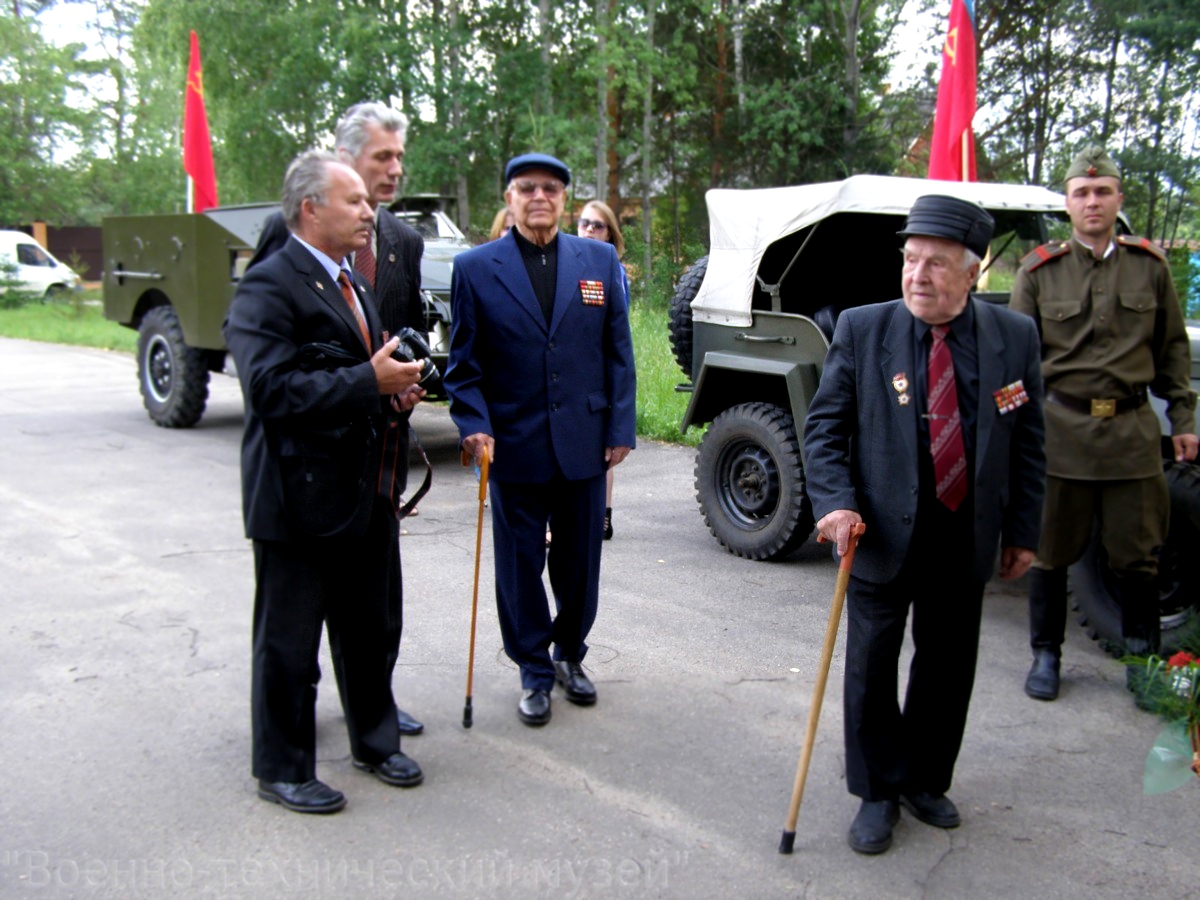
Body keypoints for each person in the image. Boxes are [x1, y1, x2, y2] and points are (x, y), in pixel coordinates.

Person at [803, 194, 1046, 854]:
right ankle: (877, 791)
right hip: (878, 533)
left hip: (963, 534)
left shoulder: (1013, 338)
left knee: (946, 668)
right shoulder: (864, 327)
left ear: (974, 274)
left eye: (937, 264)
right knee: (873, 667)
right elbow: (824, 429)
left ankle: (923, 779)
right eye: (911, 260)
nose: (918, 276)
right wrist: (835, 504)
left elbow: (1028, 442)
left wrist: (1023, 531)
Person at [225, 150, 427, 813]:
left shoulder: (353, 282)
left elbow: (358, 373)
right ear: (310, 209)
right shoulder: (268, 285)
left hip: (362, 488)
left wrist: (391, 394)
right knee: (288, 640)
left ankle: (375, 740)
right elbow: (269, 389)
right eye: (354, 202)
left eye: (366, 203)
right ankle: (281, 768)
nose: (370, 210)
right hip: (295, 496)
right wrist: (369, 381)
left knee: (368, 626)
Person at [444, 153, 636, 727]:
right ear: (509, 198)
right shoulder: (476, 269)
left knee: (579, 562)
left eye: (550, 189)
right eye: (526, 188)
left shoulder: (598, 260)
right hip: (513, 443)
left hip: (584, 440)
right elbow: (463, 365)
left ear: (564, 199)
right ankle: (532, 667)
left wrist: (620, 427)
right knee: (520, 564)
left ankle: (570, 655)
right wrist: (473, 423)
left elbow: (617, 354)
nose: (539, 198)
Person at [1010, 145, 1198, 702]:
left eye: (1102, 191)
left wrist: (1183, 418)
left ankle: (1141, 660)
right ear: (1067, 205)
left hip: (1131, 437)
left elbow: (1171, 351)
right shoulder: (1039, 271)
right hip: (1060, 434)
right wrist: (1017, 432)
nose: (1092, 201)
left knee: (1137, 553)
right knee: (1049, 550)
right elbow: (1017, 360)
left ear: (1119, 198)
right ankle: (1046, 656)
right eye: (1081, 193)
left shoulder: (1150, 267)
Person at [576, 200, 628, 540]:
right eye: (584, 223)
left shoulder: (613, 270)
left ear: (610, 233)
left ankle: (603, 515)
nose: (590, 230)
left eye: (598, 225)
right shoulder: (568, 265)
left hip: (601, 375)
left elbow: (618, 338)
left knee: (602, 451)